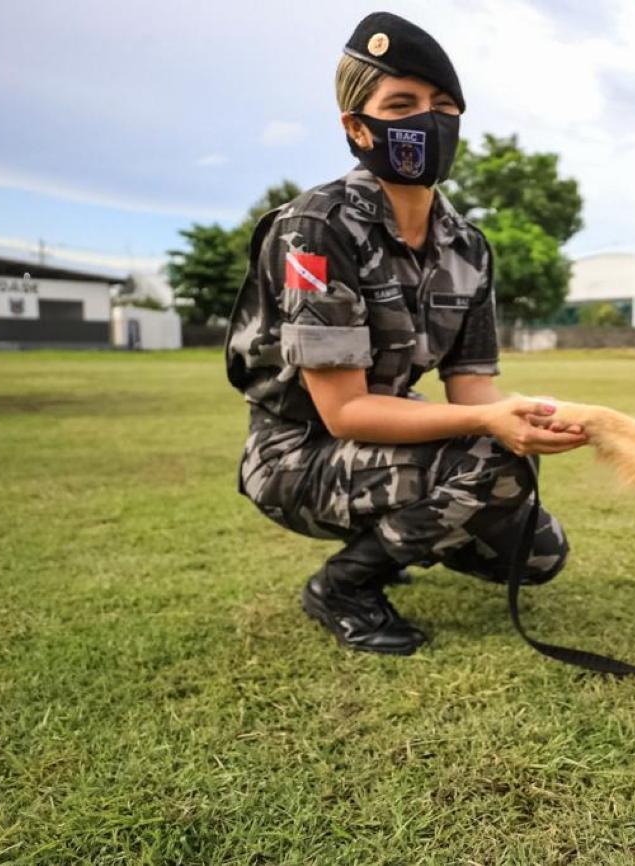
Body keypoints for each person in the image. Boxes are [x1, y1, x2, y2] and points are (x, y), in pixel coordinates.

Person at [225, 11, 585, 656]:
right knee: (488, 458)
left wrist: (524, 417)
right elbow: (344, 411)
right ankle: (344, 586)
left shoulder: (468, 246)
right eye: (403, 104)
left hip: (388, 439)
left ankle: (410, 531)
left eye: (443, 105)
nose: (428, 119)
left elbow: (474, 391)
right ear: (357, 127)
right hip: (294, 453)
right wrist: (493, 427)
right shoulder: (315, 227)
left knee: (539, 555)